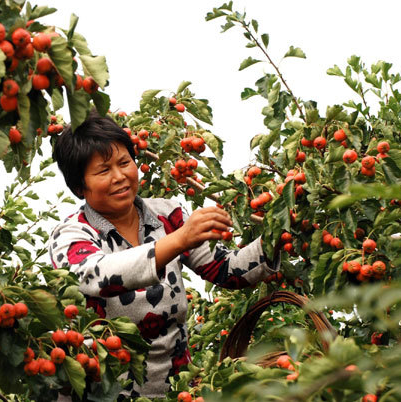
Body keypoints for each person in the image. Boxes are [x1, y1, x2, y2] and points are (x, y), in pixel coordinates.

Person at [49, 111, 279, 399]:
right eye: (104, 170)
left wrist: (278, 231)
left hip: (175, 390)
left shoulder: (167, 215)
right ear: (79, 186)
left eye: (125, 162)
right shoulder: (71, 235)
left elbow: (227, 270)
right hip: (102, 392)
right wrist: (179, 240)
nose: (120, 176)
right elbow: (97, 274)